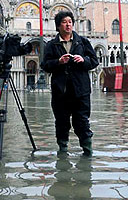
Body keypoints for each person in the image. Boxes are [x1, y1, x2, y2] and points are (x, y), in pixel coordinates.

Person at [41, 11, 99, 156]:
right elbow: (45, 65)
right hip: (61, 91)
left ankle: (88, 151)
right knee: (61, 122)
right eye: (64, 22)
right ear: (58, 25)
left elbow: (94, 62)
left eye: (70, 22)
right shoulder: (51, 45)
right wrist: (58, 62)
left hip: (81, 90)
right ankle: (63, 150)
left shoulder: (83, 42)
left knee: (82, 122)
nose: (68, 25)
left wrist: (83, 60)